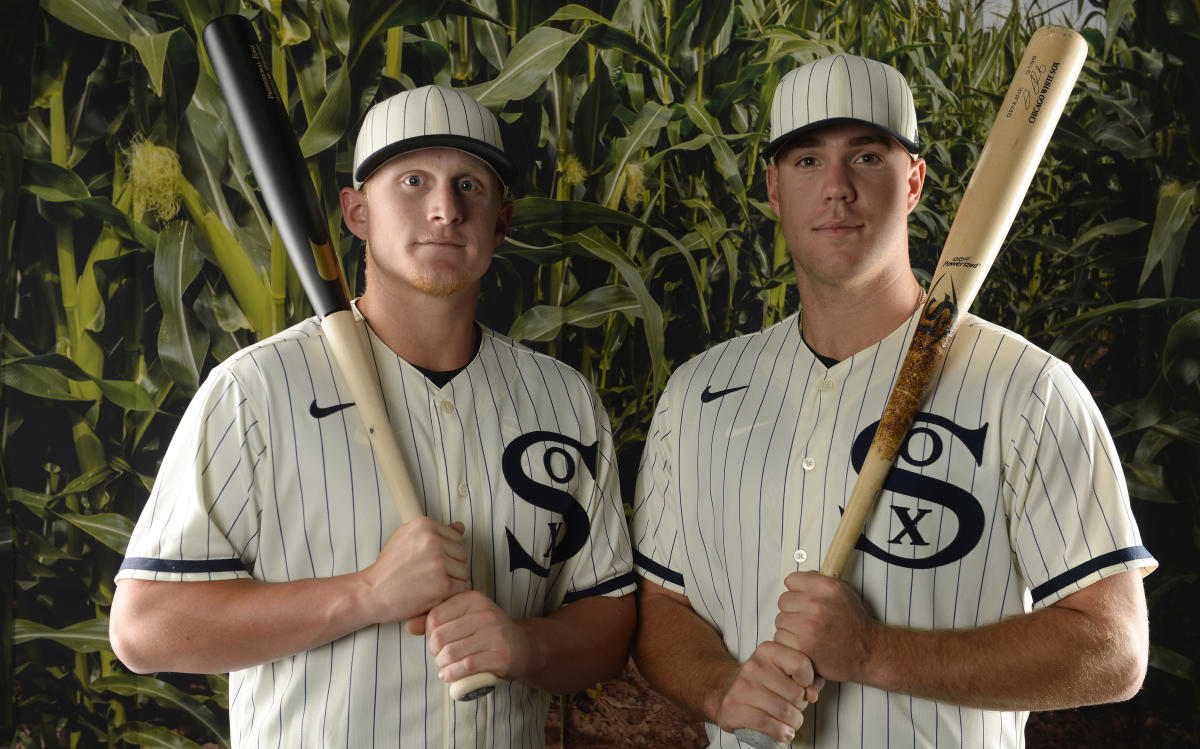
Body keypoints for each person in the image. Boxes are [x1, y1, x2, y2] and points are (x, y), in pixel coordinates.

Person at [630, 53, 1155, 747]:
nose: (837, 188)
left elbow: (1114, 648)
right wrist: (720, 687)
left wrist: (874, 650)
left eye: (867, 157)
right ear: (772, 188)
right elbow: (662, 606)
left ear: (913, 181)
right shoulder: (698, 393)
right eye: (807, 160)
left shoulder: (1027, 388)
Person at [110, 85, 636, 747]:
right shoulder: (255, 390)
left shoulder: (564, 399)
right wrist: (366, 592)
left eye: (470, 185)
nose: (445, 209)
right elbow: (145, 628)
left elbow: (609, 622)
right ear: (356, 213)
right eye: (413, 181)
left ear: (500, 222)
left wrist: (525, 646)